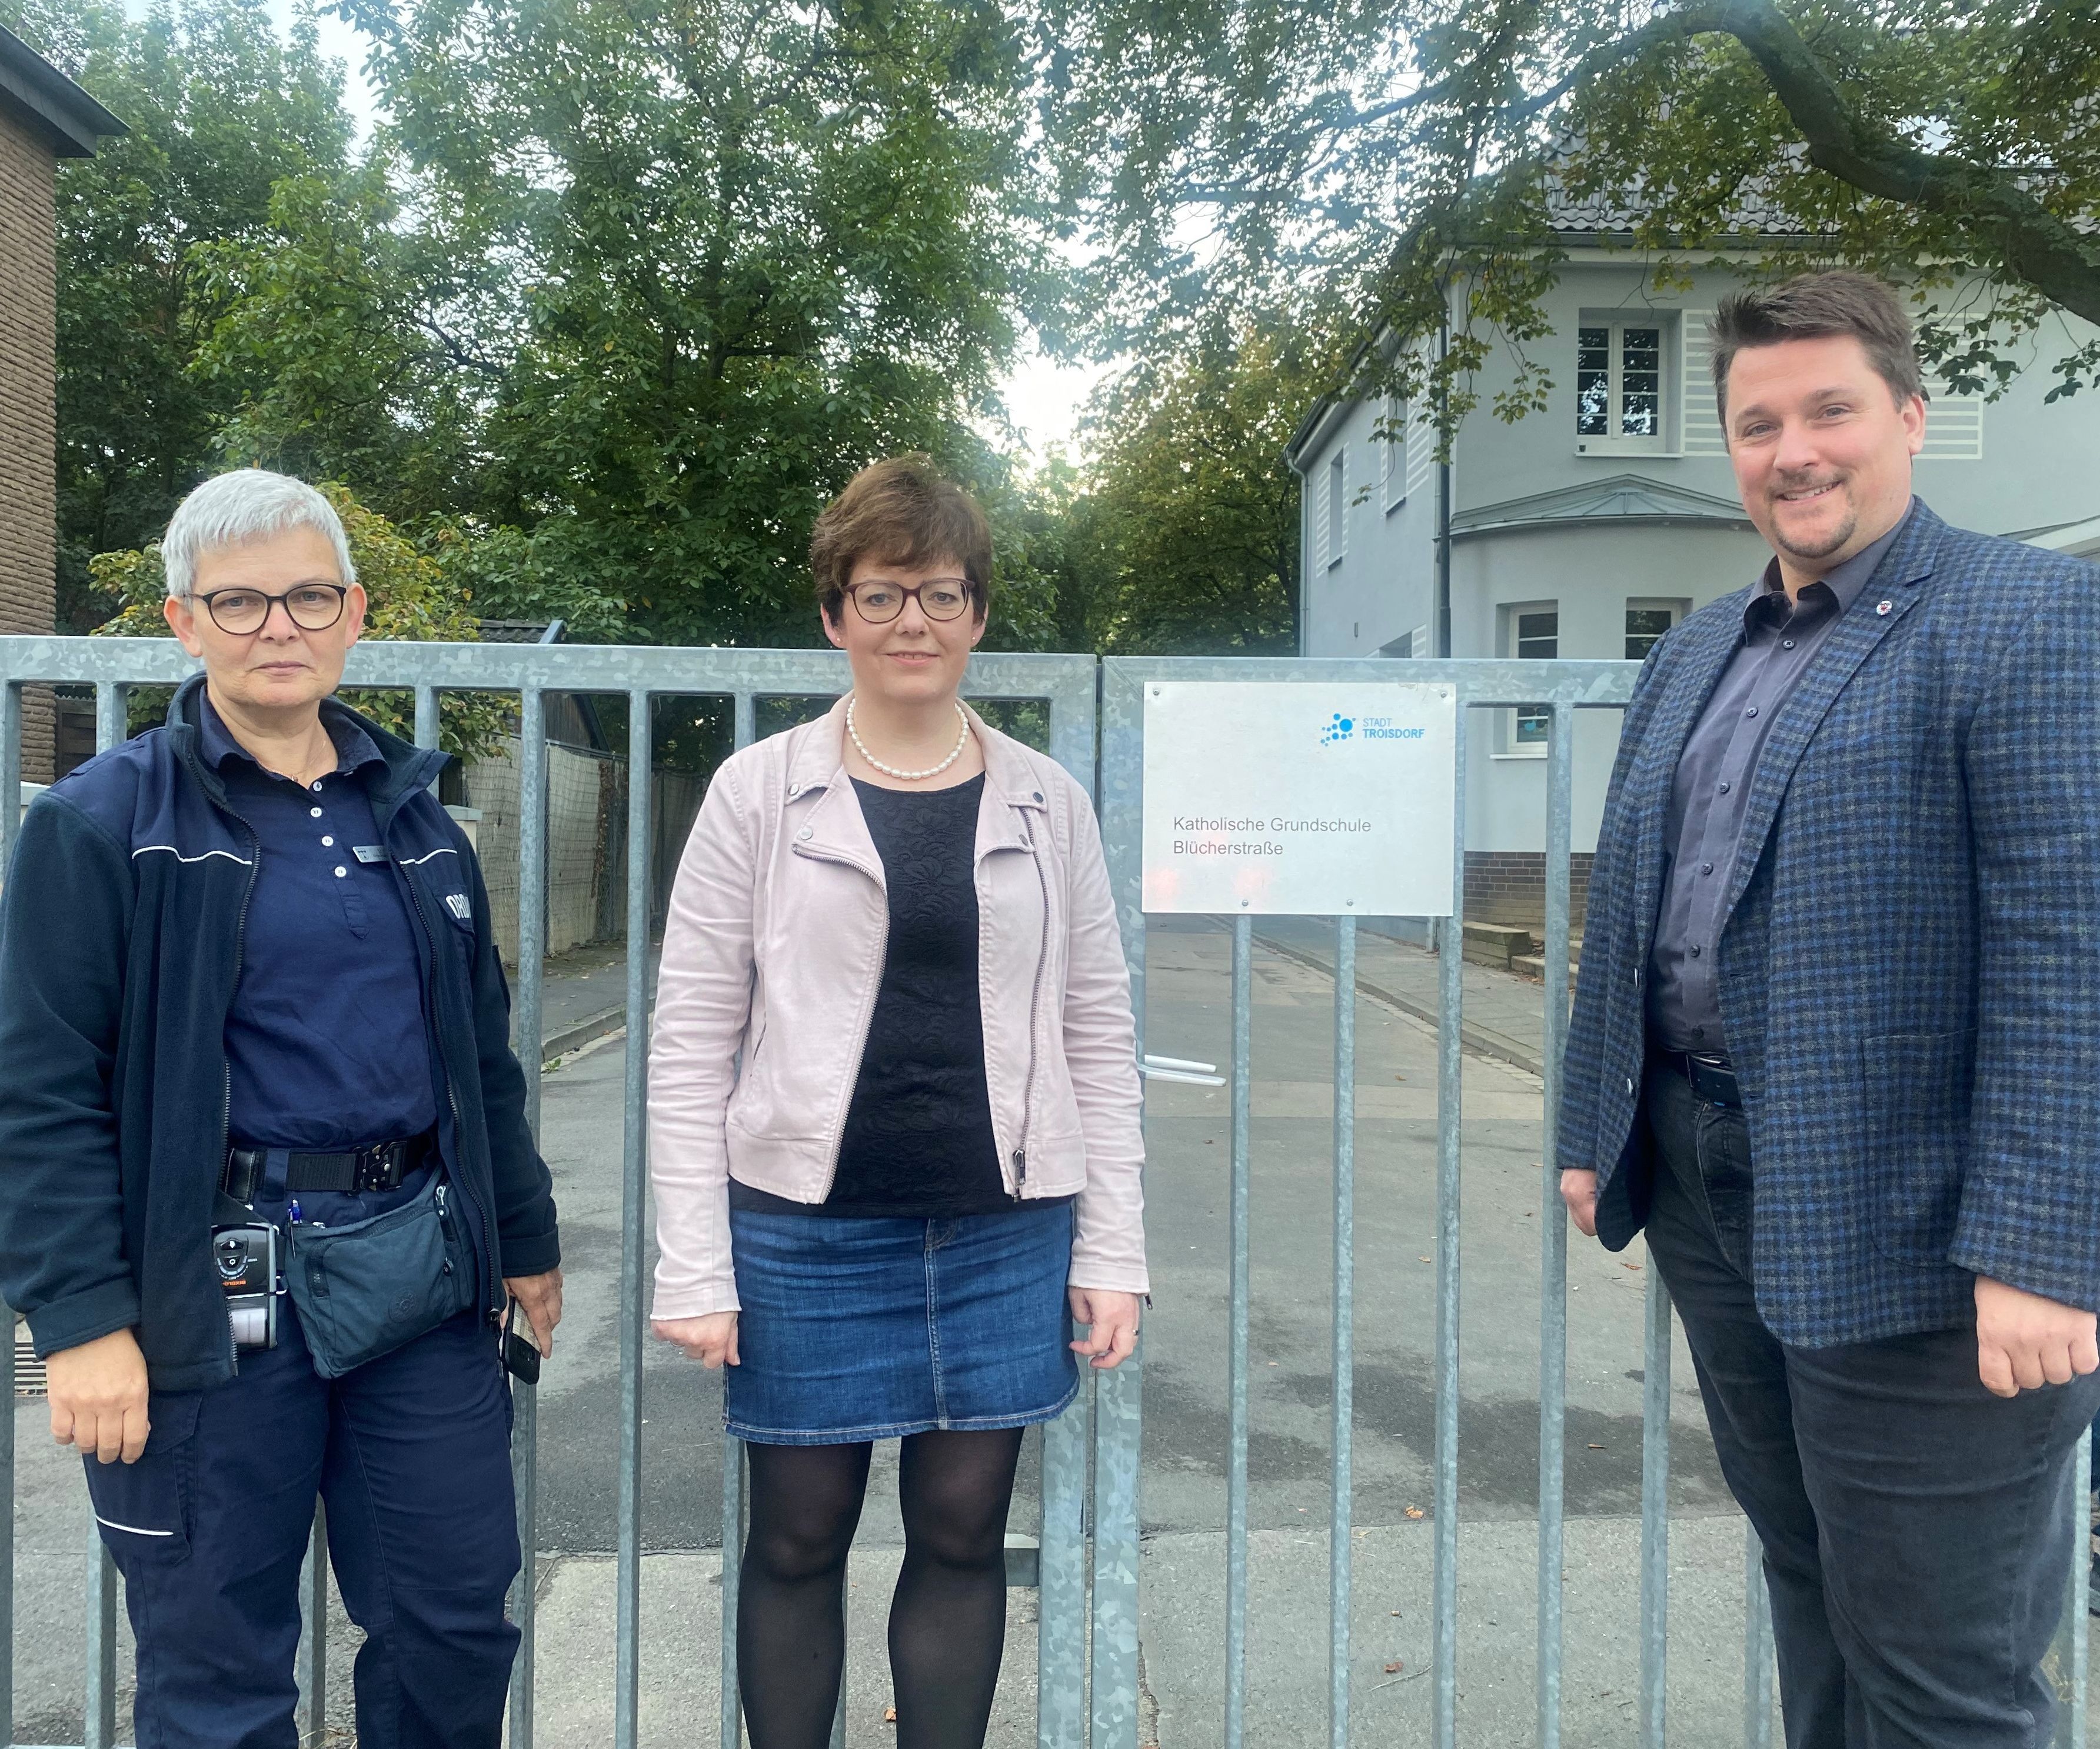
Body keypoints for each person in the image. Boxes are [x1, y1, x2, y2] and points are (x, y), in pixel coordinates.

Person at [1558, 271, 2100, 1746]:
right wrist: (1596, 1119)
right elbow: (1641, 909)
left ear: (1910, 418)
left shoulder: (2034, 616)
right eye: (1757, 423)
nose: (1793, 450)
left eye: (1830, 411)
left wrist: (2048, 1251)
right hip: (1711, 1185)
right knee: (1814, 1585)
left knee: (1946, 1672)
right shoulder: (1697, 650)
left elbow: (2073, 949)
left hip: (1933, 1236)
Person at [0, 469, 563, 1748]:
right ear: (184, 621)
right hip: (207, 1293)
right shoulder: (104, 825)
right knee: (217, 1665)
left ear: (354, 611)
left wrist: (522, 1235)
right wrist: (78, 1317)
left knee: (456, 1618)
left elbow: (479, 1054)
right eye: (239, 601)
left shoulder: (416, 819)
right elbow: (36, 1088)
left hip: (413, 1273)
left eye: (308, 595)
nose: (278, 626)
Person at [647, 456, 1147, 1749]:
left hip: (1003, 1230)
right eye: (881, 595)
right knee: (801, 1536)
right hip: (804, 1235)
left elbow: (1097, 1030)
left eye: (940, 591)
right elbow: (693, 1035)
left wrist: (1114, 1247)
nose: (912, 621)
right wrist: (694, 1259)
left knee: (966, 1534)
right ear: (834, 615)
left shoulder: (1050, 800)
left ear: (980, 612)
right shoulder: (758, 794)